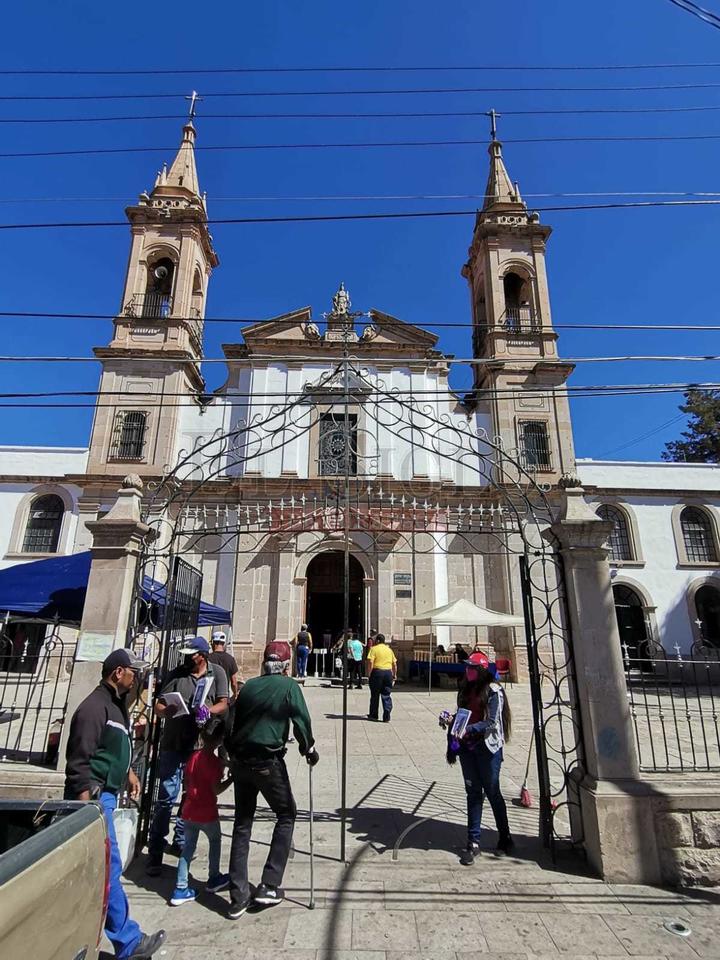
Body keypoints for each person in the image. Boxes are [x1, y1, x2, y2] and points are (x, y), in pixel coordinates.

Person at [64, 648, 166, 960]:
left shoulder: (115, 707)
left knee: (104, 869)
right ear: (117, 673)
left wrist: (129, 774)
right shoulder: (94, 708)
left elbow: (114, 747)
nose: (138, 676)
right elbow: (80, 761)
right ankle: (128, 942)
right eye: (133, 671)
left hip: (106, 793)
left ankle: (114, 938)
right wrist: (86, 807)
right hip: (93, 798)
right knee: (109, 867)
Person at [226, 641, 319, 919]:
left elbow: (232, 721)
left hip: (240, 762)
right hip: (267, 763)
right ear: (286, 665)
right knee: (287, 814)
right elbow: (302, 722)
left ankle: (238, 894)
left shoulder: (248, 687)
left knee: (243, 823)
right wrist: (309, 749)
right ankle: (269, 884)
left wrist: (228, 755)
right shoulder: (289, 687)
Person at [146, 636, 228, 876]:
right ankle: (155, 850)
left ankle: (180, 838)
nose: (188, 658)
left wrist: (208, 711)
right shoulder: (176, 674)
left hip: (199, 744)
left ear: (202, 655)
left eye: (192, 654)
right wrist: (166, 710)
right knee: (165, 797)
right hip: (173, 742)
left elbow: (224, 702)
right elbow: (158, 705)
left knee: (191, 794)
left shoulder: (217, 672)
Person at [454, 651, 514, 865]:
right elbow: (461, 714)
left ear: (480, 670)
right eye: (467, 667)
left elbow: (492, 722)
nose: (467, 671)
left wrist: (468, 729)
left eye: (471, 668)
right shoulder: (464, 689)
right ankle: (473, 842)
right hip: (467, 748)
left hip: (487, 749)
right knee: (473, 793)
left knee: (492, 792)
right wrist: (452, 722)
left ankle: (505, 837)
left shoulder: (493, 690)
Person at [170, 725, 233, 906]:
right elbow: (217, 789)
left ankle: (181, 886)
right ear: (220, 740)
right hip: (207, 811)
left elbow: (189, 779)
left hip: (190, 810)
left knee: (188, 848)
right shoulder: (213, 763)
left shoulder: (194, 757)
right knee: (215, 841)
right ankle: (213, 876)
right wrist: (231, 778)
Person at [366, 632, 397, 723]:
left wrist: (369, 674)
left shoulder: (373, 649)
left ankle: (374, 715)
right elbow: (394, 664)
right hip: (388, 673)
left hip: (377, 672)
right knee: (386, 694)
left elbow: (370, 662)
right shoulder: (389, 650)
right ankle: (386, 714)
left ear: (378, 640)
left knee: (375, 694)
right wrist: (394, 675)